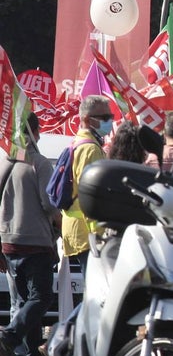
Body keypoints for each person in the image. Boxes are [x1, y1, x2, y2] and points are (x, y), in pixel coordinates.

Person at [0, 115, 59, 356]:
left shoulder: (5, 163)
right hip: (35, 241)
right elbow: (50, 205)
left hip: (9, 242)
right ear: (35, 131)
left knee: (26, 300)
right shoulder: (39, 164)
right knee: (40, 298)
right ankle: (9, 338)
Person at [62, 95, 112, 276]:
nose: (110, 121)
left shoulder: (79, 143)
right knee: (95, 296)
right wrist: (98, 235)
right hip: (87, 233)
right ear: (85, 119)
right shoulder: (90, 149)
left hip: (81, 230)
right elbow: (91, 195)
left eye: (110, 117)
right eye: (104, 118)